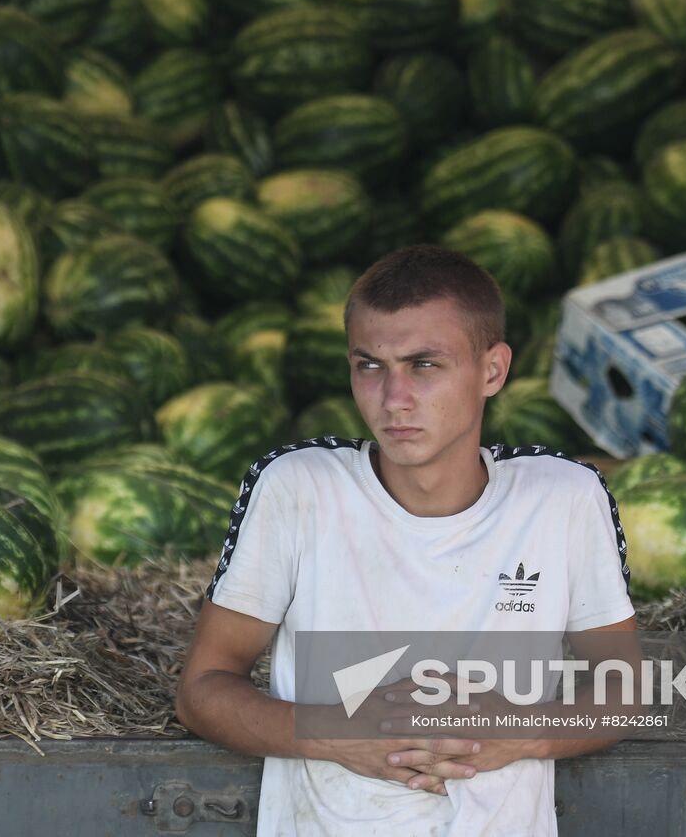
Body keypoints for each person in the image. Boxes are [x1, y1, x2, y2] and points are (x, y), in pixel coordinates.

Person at [175, 245, 639, 836]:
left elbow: (624, 689)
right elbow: (201, 691)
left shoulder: (564, 497)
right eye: (369, 365)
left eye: (424, 364)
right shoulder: (298, 487)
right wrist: (341, 734)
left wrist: (518, 731)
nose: (394, 398)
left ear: (493, 371)